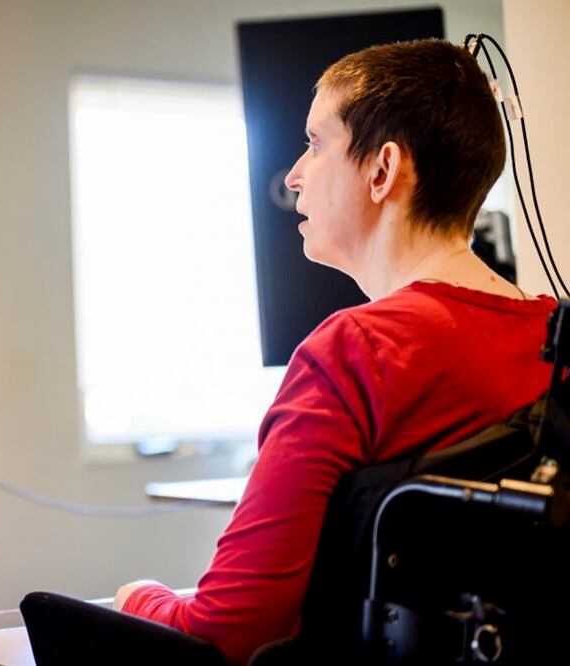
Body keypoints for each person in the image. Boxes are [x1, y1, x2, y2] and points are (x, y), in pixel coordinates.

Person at [113, 39, 556, 665]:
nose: (294, 173)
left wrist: (136, 598)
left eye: (315, 144)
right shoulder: (554, 344)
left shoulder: (355, 352)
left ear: (382, 171)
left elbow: (223, 636)